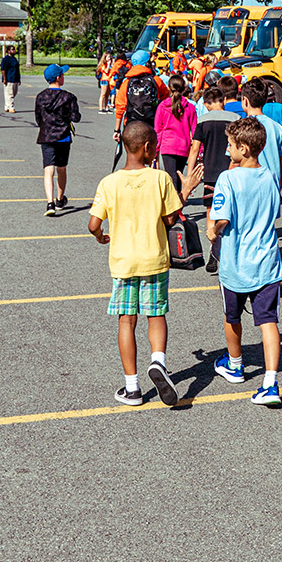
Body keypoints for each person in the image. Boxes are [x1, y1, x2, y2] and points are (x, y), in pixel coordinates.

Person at [88, 121, 203, 407]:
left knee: (127, 321)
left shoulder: (109, 182)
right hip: (154, 259)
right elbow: (170, 219)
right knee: (156, 315)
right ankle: (158, 362)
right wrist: (185, 189)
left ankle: (132, 387)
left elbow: (92, 224)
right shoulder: (160, 178)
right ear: (148, 148)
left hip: (124, 261)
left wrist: (102, 236)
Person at [207, 117, 282, 406]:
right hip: (266, 261)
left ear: (243, 148)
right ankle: (271, 381)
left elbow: (222, 218)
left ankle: (236, 363)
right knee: (268, 321)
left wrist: (211, 230)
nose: (228, 151)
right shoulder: (270, 177)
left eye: (230, 146)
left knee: (232, 316)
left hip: (235, 263)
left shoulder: (228, 178)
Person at [186, 85, 238, 274]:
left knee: (211, 212)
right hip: (231, 172)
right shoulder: (235, 119)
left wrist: (190, 176)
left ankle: (214, 249)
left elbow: (194, 149)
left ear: (206, 104)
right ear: (223, 101)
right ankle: (229, 250)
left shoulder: (203, 121)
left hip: (210, 174)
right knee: (231, 213)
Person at [35, 63, 81, 217]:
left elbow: (38, 118)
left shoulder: (41, 97)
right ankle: (60, 199)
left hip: (46, 136)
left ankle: (50, 202)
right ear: (58, 77)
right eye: (62, 74)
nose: (63, 76)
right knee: (61, 168)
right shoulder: (68, 97)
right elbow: (76, 117)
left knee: (48, 170)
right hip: (63, 137)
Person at [114, 49, 168, 147]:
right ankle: (152, 162)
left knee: (133, 154)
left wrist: (117, 130)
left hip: (132, 123)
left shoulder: (127, 83)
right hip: (152, 123)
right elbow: (166, 99)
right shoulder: (156, 80)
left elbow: (120, 107)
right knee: (151, 153)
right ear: (148, 63)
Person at [154, 74, 198, 194]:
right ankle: (177, 206)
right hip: (183, 145)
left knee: (171, 176)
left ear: (169, 88)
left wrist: (156, 149)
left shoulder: (163, 106)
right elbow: (194, 130)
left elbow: (158, 129)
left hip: (168, 144)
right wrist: (199, 149)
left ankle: (174, 207)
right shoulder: (190, 107)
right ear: (184, 88)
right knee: (178, 176)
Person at [240, 79, 282, 186]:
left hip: (247, 185)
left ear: (245, 101)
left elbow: (234, 162)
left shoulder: (240, 127)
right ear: (265, 101)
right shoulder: (277, 127)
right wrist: (278, 186)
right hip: (271, 184)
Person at [0, 44, 21, 113]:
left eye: (14, 49)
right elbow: (3, 70)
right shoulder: (5, 59)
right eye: (12, 49)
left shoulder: (14, 59)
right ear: (8, 51)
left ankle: (6, 106)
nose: (14, 51)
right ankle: (11, 107)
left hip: (15, 78)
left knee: (13, 93)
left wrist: (18, 79)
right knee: (10, 94)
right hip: (9, 79)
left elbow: (17, 70)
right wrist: (5, 79)